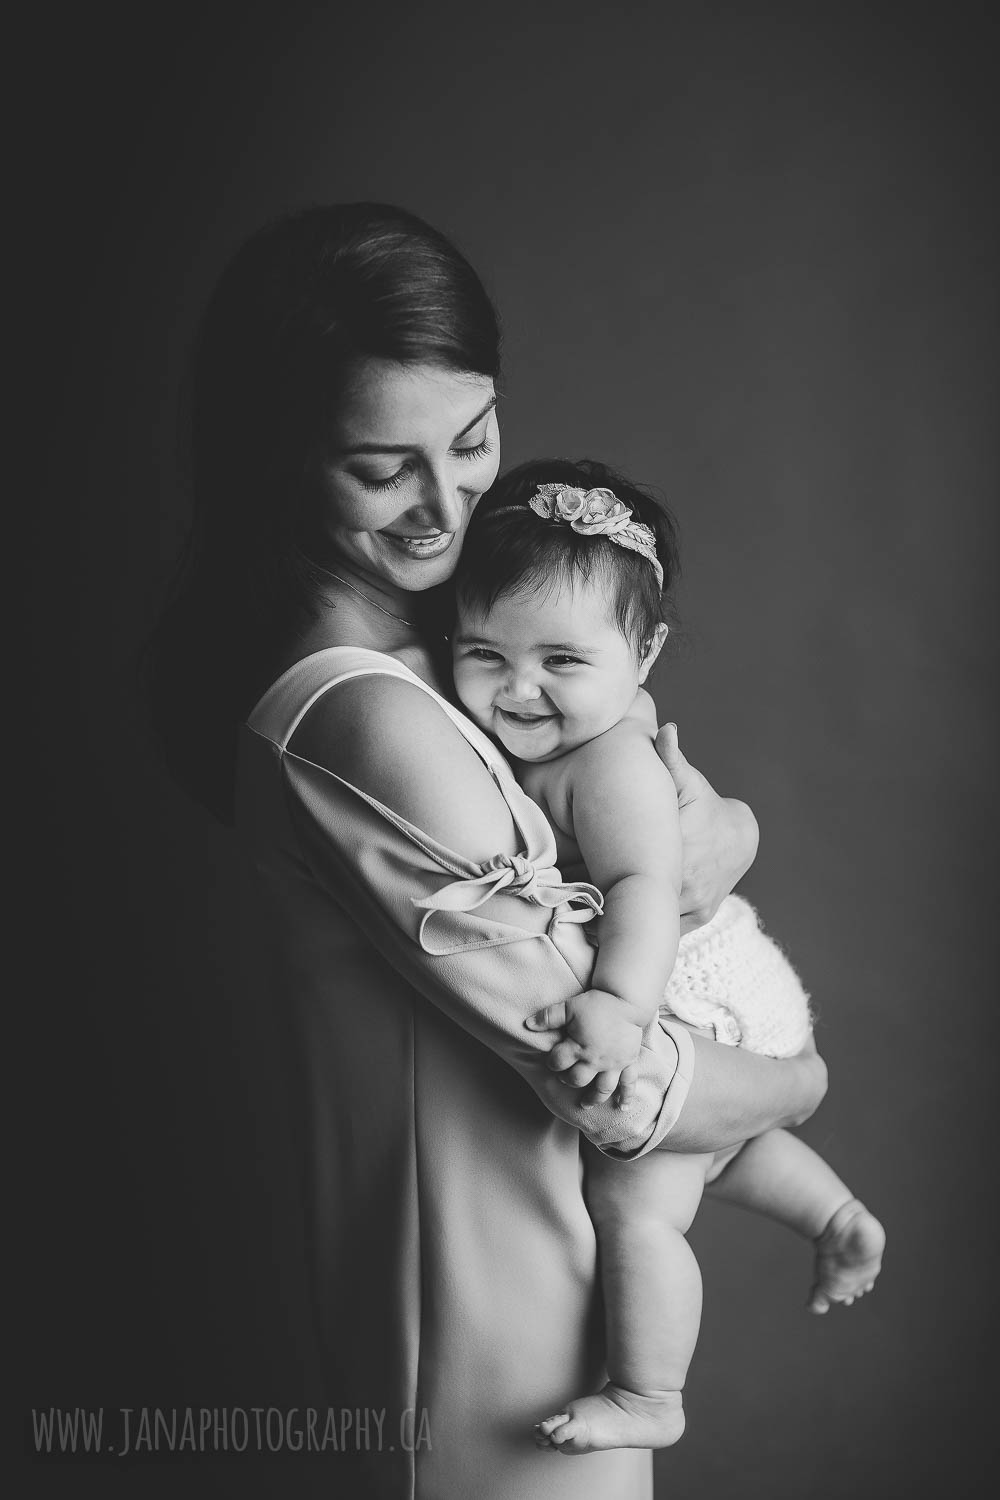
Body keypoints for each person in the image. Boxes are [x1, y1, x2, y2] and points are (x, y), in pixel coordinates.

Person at [146, 202, 828, 1499]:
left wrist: (722, 839)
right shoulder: (361, 721)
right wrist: (802, 1087)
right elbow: (610, 1082)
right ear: (278, 457)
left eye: (470, 443)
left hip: (562, 1327)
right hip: (475, 1362)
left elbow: (655, 803)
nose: (445, 502)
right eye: (380, 466)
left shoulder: (463, 656)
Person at [450, 457, 886, 1456]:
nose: (518, 687)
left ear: (642, 653)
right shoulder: (570, 734)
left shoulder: (603, 765)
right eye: (484, 653)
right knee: (717, 1149)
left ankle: (650, 1394)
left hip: (686, 987)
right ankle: (834, 1213)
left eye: (561, 662)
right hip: (736, 991)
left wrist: (617, 1001)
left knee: (632, 1198)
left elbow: (647, 888)